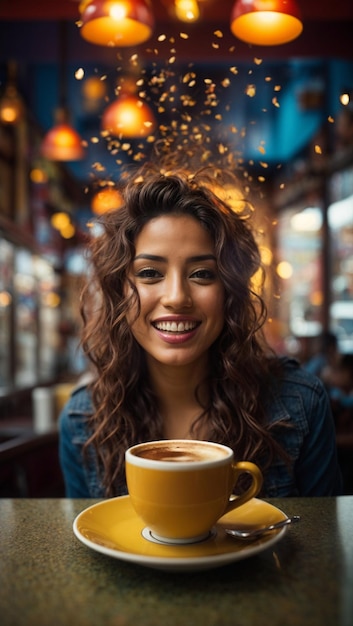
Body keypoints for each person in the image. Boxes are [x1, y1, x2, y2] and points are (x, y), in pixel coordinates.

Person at [59, 163, 342, 498]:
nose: (177, 297)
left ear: (229, 292)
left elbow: (323, 545)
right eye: (150, 273)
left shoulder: (300, 404)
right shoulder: (83, 421)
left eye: (202, 274)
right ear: (119, 291)